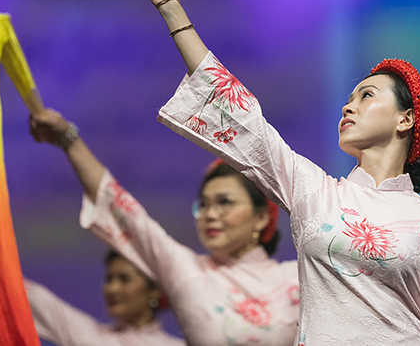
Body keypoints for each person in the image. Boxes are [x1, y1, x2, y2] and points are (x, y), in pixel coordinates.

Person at [143, 0, 420, 346]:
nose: (348, 107)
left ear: (406, 119)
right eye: (348, 99)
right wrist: (171, 8)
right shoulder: (315, 191)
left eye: (366, 96)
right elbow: (244, 118)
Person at [28, 106, 300, 346]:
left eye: (224, 203)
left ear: (262, 217)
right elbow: (123, 209)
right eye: (203, 205)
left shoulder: (297, 279)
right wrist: (68, 140)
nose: (210, 214)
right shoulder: (187, 270)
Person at [0, 192, 184, 346]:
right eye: (109, 278)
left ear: (155, 290)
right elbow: (18, 292)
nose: (112, 288)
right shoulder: (90, 336)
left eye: (124, 279)